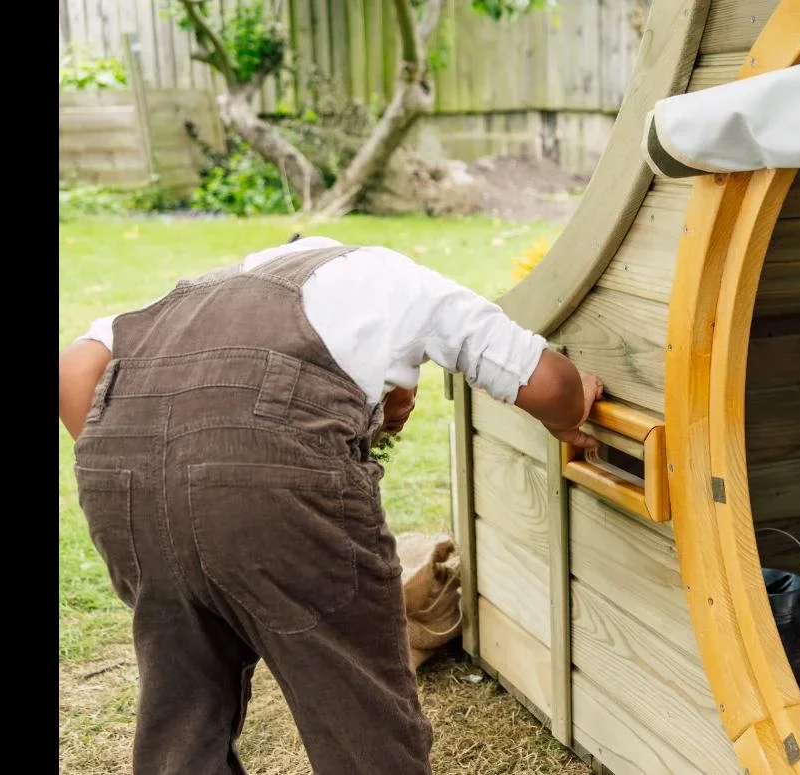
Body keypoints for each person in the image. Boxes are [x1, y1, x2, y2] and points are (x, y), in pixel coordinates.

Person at [57, 235, 604, 775]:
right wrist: (573, 410)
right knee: (357, 701)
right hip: (270, 484)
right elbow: (547, 383)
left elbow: (74, 371)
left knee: (183, 698)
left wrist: (163, 481)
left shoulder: (198, 293)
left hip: (122, 486)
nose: (397, 416)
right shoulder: (393, 276)